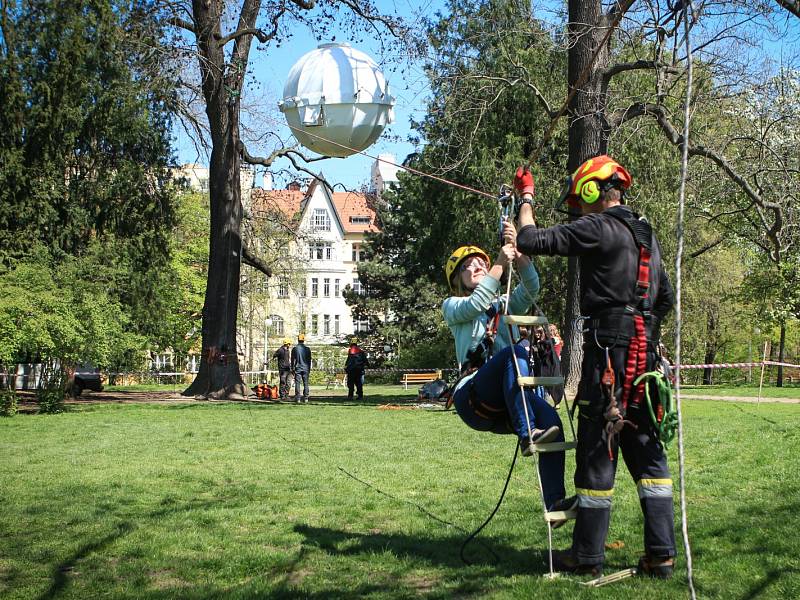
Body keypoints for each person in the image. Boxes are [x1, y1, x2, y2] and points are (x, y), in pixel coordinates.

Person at [505, 156, 676, 578]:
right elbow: (666, 299)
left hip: (609, 355)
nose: (577, 213)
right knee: (647, 455)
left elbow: (530, 239)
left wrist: (525, 196)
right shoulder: (645, 237)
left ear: (591, 191)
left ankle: (586, 555)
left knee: (598, 450)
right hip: (645, 357)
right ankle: (662, 554)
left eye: (578, 203)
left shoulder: (598, 226)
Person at [442, 241, 573, 513]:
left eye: (481, 263)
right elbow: (477, 303)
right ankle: (528, 433)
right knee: (514, 354)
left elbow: (531, 289)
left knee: (552, 420)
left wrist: (521, 256)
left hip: (506, 400)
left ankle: (555, 502)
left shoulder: (502, 304)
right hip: (473, 395)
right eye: (469, 266)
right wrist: (501, 262)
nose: (477, 266)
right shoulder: (453, 306)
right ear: (457, 280)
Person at [291, 333, 312, 403]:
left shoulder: (295, 349)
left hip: (298, 368)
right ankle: (306, 398)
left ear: (298, 340)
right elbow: (309, 360)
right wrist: (309, 368)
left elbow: (292, 359)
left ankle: (298, 398)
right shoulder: (307, 349)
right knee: (306, 383)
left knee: (297, 383)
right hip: (306, 368)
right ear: (303, 340)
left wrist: (292, 368)